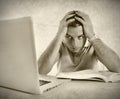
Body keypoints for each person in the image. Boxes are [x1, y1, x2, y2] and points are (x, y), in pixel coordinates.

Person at [38, 10, 120, 75]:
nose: (75, 44)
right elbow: (39, 71)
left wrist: (92, 36)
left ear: (86, 34)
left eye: (80, 37)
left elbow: (118, 68)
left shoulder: (94, 45)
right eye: (68, 36)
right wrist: (59, 35)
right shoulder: (59, 46)